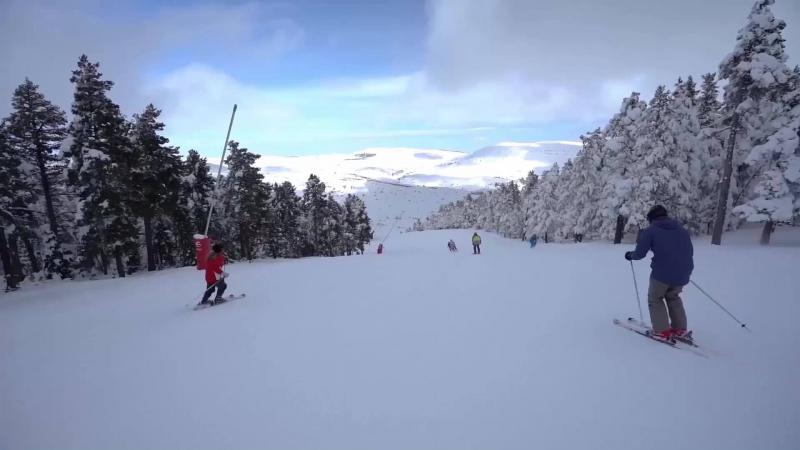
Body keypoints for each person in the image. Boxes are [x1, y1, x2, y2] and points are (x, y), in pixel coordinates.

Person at [625, 205, 694, 341]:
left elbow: (639, 254)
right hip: (684, 271)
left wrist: (630, 255)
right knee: (673, 296)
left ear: (651, 218)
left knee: (655, 298)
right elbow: (688, 249)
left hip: (662, 272)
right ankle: (680, 329)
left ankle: (661, 331)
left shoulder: (652, 230)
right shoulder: (680, 229)